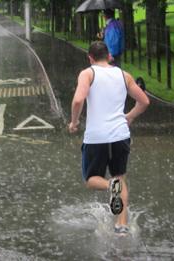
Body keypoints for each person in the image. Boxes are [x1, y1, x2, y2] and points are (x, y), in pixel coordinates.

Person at [68, 41, 149, 235]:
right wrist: (128, 117)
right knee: (120, 178)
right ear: (109, 56)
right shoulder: (124, 75)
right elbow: (144, 101)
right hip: (120, 136)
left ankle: (110, 185)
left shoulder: (88, 73)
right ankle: (121, 225)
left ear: (90, 58)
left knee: (91, 180)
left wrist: (74, 122)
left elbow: (78, 99)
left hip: (97, 138)